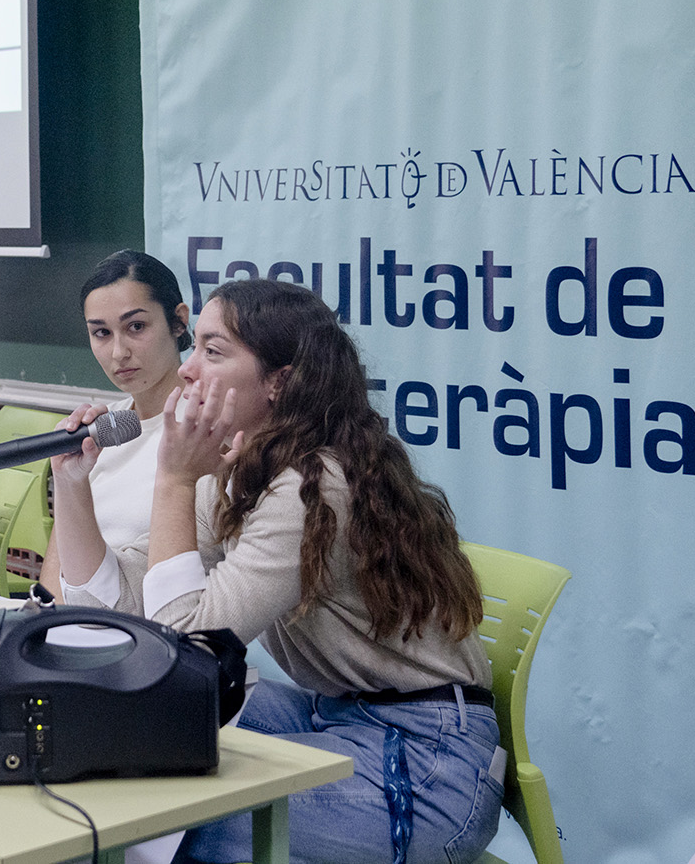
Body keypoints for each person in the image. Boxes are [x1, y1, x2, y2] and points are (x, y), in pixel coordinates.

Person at [57, 279, 500, 864]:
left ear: (279, 382)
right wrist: (72, 487)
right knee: (118, 718)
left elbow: (190, 648)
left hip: (426, 761)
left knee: (160, 820)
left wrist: (174, 480)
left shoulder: (312, 488)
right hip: (335, 714)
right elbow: (111, 611)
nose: (187, 369)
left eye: (213, 351)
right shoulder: (243, 470)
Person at [39, 249, 189, 599]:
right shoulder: (100, 427)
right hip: (77, 622)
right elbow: (56, 570)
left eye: (136, 327)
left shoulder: (204, 430)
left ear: (178, 321)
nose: (119, 352)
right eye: (102, 333)